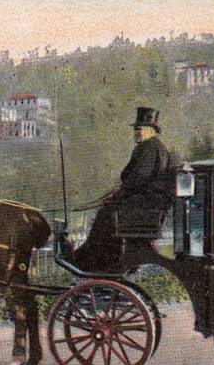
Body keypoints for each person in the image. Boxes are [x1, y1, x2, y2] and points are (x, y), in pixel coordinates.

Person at [70, 107, 173, 270]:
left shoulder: (150, 148)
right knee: (107, 214)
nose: (136, 133)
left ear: (151, 130)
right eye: (135, 130)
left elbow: (139, 178)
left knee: (106, 215)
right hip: (149, 203)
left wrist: (119, 195)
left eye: (140, 129)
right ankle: (96, 257)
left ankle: (94, 260)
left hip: (146, 204)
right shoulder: (154, 147)